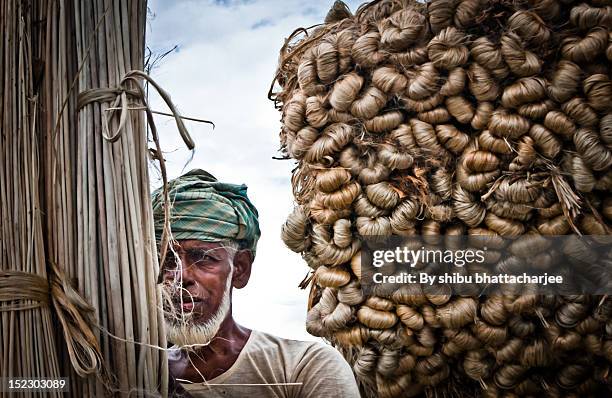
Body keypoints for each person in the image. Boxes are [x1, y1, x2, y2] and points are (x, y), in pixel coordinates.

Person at [152, 169, 360, 398]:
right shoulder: (135, 370)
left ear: (240, 269)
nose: (181, 277)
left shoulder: (303, 368)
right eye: (166, 260)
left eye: (203, 258)